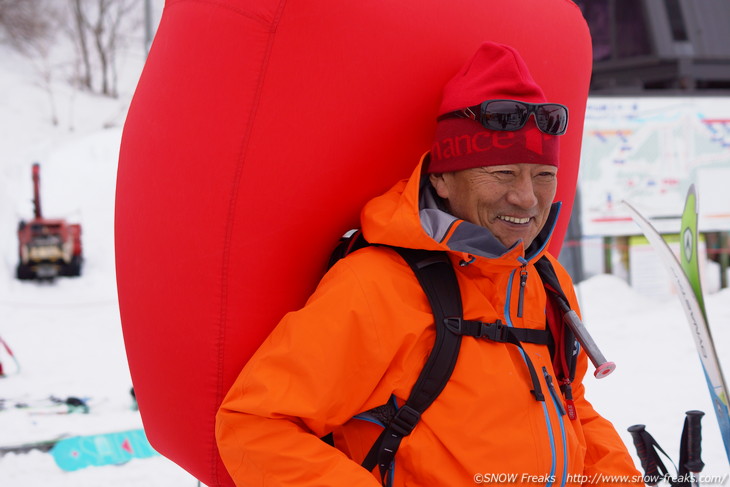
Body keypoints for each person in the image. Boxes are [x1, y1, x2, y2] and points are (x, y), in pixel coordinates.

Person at [216, 42, 641, 486]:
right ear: (441, 177)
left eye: (543, 175)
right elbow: (254, 425)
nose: (527, 198)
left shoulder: (545, 280)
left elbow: (570, 406)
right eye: (501, 173)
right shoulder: (377, 285)